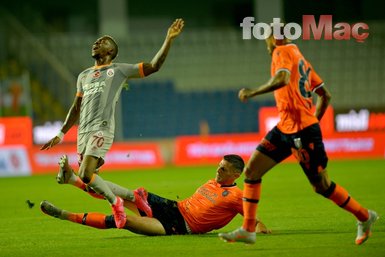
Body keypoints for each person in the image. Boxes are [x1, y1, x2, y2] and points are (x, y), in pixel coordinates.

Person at [218, 32, 378, 245]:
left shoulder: (281, 51)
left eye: (267, 38)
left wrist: (253, 92)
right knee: (251, 171)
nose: (266, 44)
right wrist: (314, 121)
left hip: (301, 131)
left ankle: (365, 216)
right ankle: (248, 229)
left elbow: (282, 78)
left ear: (276, 38)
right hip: (285, 128)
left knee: (321, 186)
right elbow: (325, 95)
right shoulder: (299, 57)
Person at [40, 18, 184, 229]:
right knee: (90, 184)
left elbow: (154, 66)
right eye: (97, 41)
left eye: (102, 41)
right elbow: (76, 106)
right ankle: (134, 196)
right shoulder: (84, 76)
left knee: (86, 174)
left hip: (102, 128)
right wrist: (61, 133)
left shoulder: (118, 70)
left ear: (110, 51)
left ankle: (116, 203)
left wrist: (168, 39)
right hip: (84, 131)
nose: (96, 43)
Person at [40, 154, 271, 236]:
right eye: (218, 166)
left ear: (236, 174)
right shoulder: (212, 182)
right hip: (174, 207)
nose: (217, 171)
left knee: (122, 221)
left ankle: (64, 214)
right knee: (124, 196)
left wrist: (260, 228)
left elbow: (252, 217)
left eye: (223, 169)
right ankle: (73, 180)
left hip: (179, 227)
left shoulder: (236, 196)